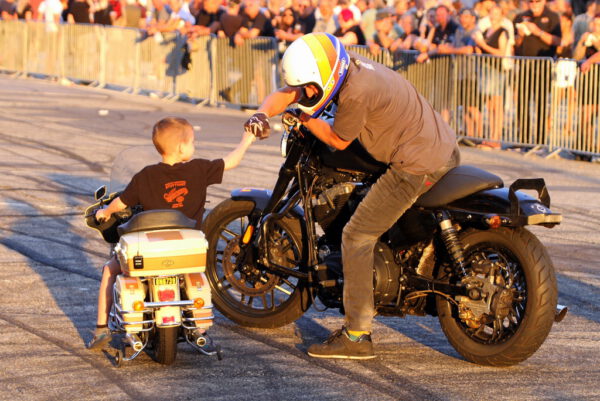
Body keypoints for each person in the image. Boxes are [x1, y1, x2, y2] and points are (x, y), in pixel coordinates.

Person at [243, 33, 459, 359]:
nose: (308, 94)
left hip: (418, 164)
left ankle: (357, 335)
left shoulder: (356, 92)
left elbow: (338, 139)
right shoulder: (351, 68)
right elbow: (288, 93)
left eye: (312, 88)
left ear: (324, 77)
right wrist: (261, 112)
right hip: (440, 145)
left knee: (356, 235)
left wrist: (302, 116)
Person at [87, 117, 256, 349]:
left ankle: (100, 329)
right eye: (193, 142)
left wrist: (104, 212)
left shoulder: (145, 175)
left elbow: (120, 203)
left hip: (151, 250)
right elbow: (232, 161)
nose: (194, 147)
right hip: (186, 248)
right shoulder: (199, 169)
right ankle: (198, 324)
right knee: (198, 272)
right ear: (181, 147)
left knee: (110, 270)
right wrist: (247, 139)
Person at [513, 0, 561, 145]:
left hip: (542, 65)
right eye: (531, 1)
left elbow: (558, 41)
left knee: (540, 101)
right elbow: (515, 43)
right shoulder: (521, 16)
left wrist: (537, 32)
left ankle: (540, 140)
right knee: (522, 101)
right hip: (524, 64)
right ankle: (524, 139)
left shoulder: (552, 16)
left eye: (537, 1)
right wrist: (520, 35)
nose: (534, 3)